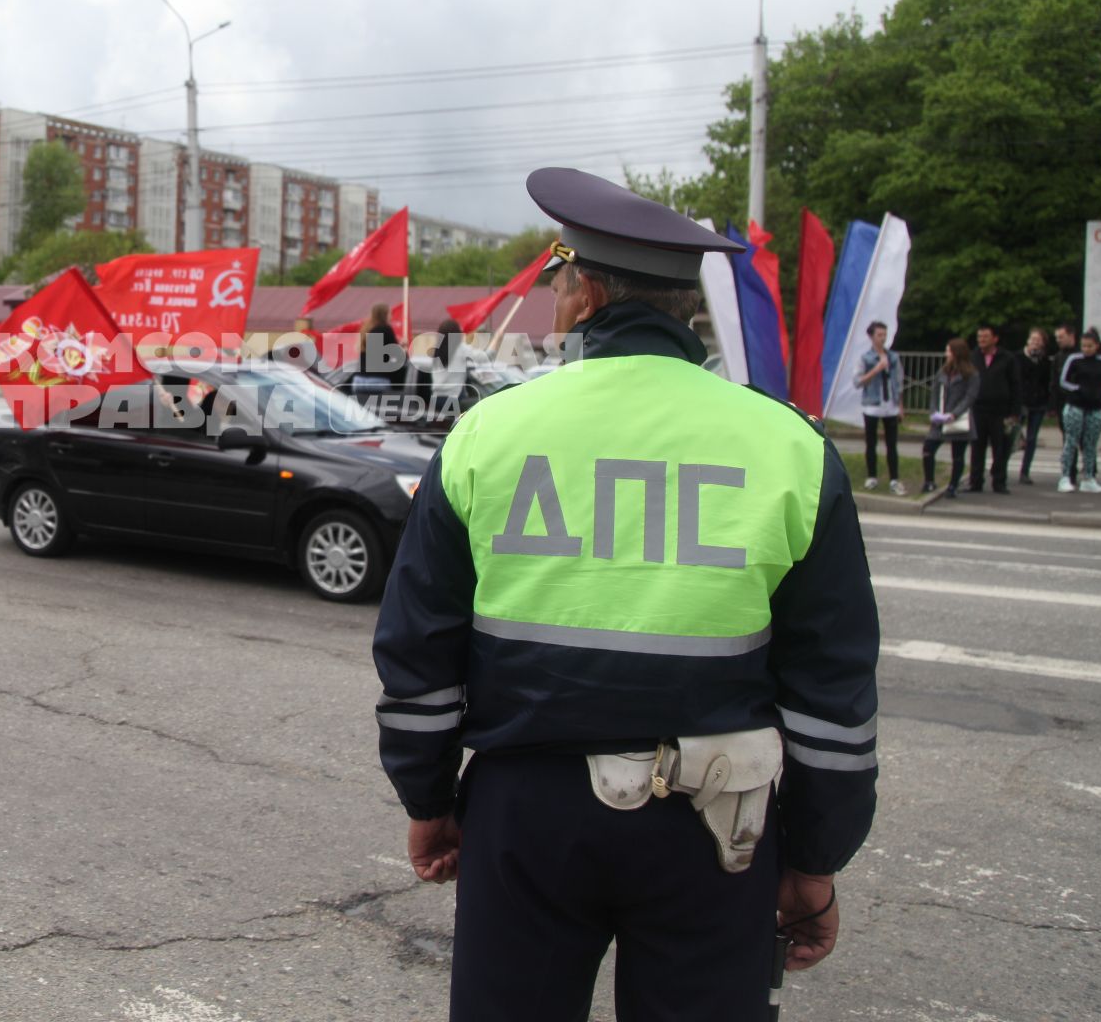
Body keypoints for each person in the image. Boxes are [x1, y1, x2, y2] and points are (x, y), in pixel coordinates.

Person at [374, 167, 878, 1022]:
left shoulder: (487, 436)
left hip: (527, 816)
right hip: (718, 825)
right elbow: (831, 685)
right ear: (682, 306)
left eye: (561, 282)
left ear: (585, 294)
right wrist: (816, 856)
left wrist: (429, 800)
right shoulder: (788, 445)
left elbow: (420, 654)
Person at [966, 324, 1022, 494]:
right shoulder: (973, 356)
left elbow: (1015, 385)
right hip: (978, 408)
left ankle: (999, 482)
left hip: (1000, 410)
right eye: (979, 337)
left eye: (985, 337)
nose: (981, 340)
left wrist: (1014, 411)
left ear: (995, 338)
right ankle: (975, 482)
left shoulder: (1007, 358)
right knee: (977, 447)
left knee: (1000, 447)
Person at [920, 339, 979, 498]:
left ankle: (953, 485)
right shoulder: (943, 371)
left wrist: (954, 414)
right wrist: (933, 412)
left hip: (957, 419)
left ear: (956, 353)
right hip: (940, 418)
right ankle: (929, 481)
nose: (947, 354)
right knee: (928, 449)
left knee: (958, 455)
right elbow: (934, 393)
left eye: (949, 351)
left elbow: (969, 397)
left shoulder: (971, 374)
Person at [1058, 328, 1101, 493]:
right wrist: (1078, 389)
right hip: (1076, 406)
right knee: (1071, 441)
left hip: (1095, 407)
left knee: (1090, 444)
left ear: (1097, 346)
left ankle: (1088, 477)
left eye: (1089, 346)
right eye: (1083, 346)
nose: (1086, 349)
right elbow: (1063, 380)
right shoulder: (1074, 359)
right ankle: (1065, 476)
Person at [854, 321, 906, 495]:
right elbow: (858, 381)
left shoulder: (893, 357)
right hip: (872, 406)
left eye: (884, 335)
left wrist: (900, 405)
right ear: (871, 337)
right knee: (871, 442)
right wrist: (876, 369)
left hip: (890, 406)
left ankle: (894, 478)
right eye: (879, 335)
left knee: (892, 444)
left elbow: (898, 382)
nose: (882, 338)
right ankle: (872, 476)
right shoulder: (865, 358)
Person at [1018, 328, 1054, 485]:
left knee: (1032, 438)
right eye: (1033, 340)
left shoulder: (1045, 362)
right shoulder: (1017, 358)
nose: (1035, 343)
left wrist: (1049, 404)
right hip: (1020, 403)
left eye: (1038, 341)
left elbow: (1048, 383)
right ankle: (999, 468)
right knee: (1011, 436)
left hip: (1038, 403)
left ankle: (1025, 471)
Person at [353, 302, 406, 394]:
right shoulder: (385, 328)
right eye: (390, 313)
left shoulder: (367, 330)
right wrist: (403, 348)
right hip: (377, 380)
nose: (391, 317)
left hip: (360, 380)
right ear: (384, 315)